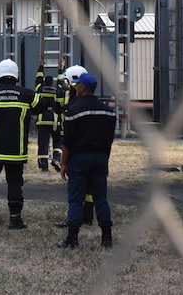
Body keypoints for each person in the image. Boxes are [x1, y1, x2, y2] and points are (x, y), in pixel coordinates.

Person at [0, 59, 50, 229]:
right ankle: (15, 219)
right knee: (15, 183)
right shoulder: (26, 94)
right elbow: (43, 106)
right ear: (16, 75)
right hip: (16, 151)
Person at [58, 72, 117, 249]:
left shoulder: (74, 110)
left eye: (77, 86)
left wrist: (63, 163)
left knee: (76, 199)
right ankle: (107, 238)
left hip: (79, 158)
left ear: (82, 88)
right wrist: (104, 159)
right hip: (100, 157)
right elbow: (109, 139)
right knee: (101, 199)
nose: (75, 89)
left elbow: (68, 141)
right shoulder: (108, 111)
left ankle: (72, 238)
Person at [34, 57, 58, 171]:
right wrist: (60, 69)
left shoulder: (40, 88)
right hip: (54, 119)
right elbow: (61, 82)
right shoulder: (56, 90)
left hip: (42, 119)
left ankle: (44, 166)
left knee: (43, 143)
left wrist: (41, 66)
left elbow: (38, 78)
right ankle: (57, 159)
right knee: (58, 142)